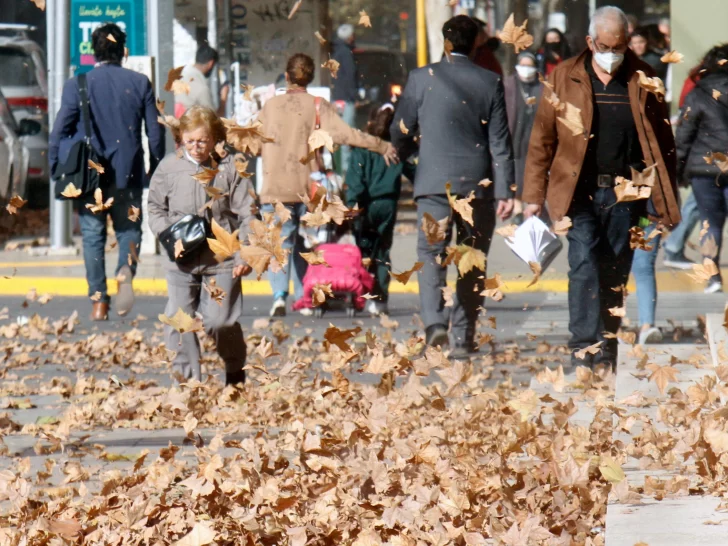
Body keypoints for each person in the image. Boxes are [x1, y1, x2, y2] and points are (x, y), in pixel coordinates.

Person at [522, 6, 681, 369]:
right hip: (577, 191)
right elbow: (541, 141)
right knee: (583, 264)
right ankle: (582, 347)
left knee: (615, 270)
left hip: (627, 193)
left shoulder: (644, 77)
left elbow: (662, 145)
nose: (614, 55)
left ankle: (606, 343)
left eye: (621, 47)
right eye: (607, 46)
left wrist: (664, 202)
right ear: (590, 42)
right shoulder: (562, 78)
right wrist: (532, 197)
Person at [391, 15, 515, 359]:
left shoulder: (420, 78)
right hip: (478, 185)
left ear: (446, 42)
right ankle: (463, 335)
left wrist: (411, 155)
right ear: (476, 42)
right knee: (471, 259)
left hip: (433, 184)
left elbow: (401, 129)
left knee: (431, 254)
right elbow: (500, 143)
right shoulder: (490, 82)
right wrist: (505, 190)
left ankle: (435, 325)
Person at [256, 53, 397, 317]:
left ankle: (279, 297)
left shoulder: (270, 107)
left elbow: (250, 143)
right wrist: (381, 145)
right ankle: (304, 298)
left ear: (286, 77)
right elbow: (347, 135)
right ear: (309, 79)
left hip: (274, 189)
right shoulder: (318, 106)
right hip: (309, 190)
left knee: (280, 245)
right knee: (305, 246)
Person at [49, 23, 165, 321]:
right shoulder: (140, 83)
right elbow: (155, 132)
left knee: (92, 235)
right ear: (123, 51)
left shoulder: (78, 84)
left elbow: (59, 131)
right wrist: (156, 165)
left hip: (89, 176)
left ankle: (98, 301)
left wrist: (55, 166)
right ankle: (125, 270)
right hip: (130, 172)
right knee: (129, 228)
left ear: (93, 51)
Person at [147, 106, 254, 385]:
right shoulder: (168, 167)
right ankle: (188, 384)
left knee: (219, 322)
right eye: (189, 141)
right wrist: (168, 235)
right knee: (178, 319)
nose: (196, 148)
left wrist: (245, 252)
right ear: (180, 138)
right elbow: (155, 208)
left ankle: (234, 369)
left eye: (202, 141)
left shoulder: (230, 166)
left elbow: (249, 213)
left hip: (222, 259)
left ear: (214, 138)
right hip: (181, 259)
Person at [345, 104, 416, 316]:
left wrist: (352, 204)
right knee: (383, 252)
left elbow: (356, 180)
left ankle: (359, 294)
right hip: (388, 205)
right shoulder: (397, 149)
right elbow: (413, 171)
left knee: (363, 251)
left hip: (367, 205)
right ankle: (380, 299)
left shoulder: (363, 148)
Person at [675, 43, 728, 294]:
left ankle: (713, 276)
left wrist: (678, 169)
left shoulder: (697, 94)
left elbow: (684, 135)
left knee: (710, 223)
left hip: (704, 170)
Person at [504, 52, 543, 221]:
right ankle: (517, 209)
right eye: (523, 65)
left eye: (530, 65)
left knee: (532, 169)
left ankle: (532, 206)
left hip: (535, 137)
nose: (526, 69)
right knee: (517, 171)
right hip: (515, 136)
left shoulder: (542, 86)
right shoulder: (509, 85)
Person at [331, 24, 359, 172]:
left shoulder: (336, 52)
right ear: (350, 37)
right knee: (348, 135)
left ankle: (337, 171)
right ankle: (346, 172)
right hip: (347, 100)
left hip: (337, 99)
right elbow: (350, 77)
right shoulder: (347, 53)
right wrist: (354, 97)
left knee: (337, 135)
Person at [175, 44, 229, 118]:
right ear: (211, 63)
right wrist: (223, 98)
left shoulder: (180, 74)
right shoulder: (201, 88)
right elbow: (214, 121)